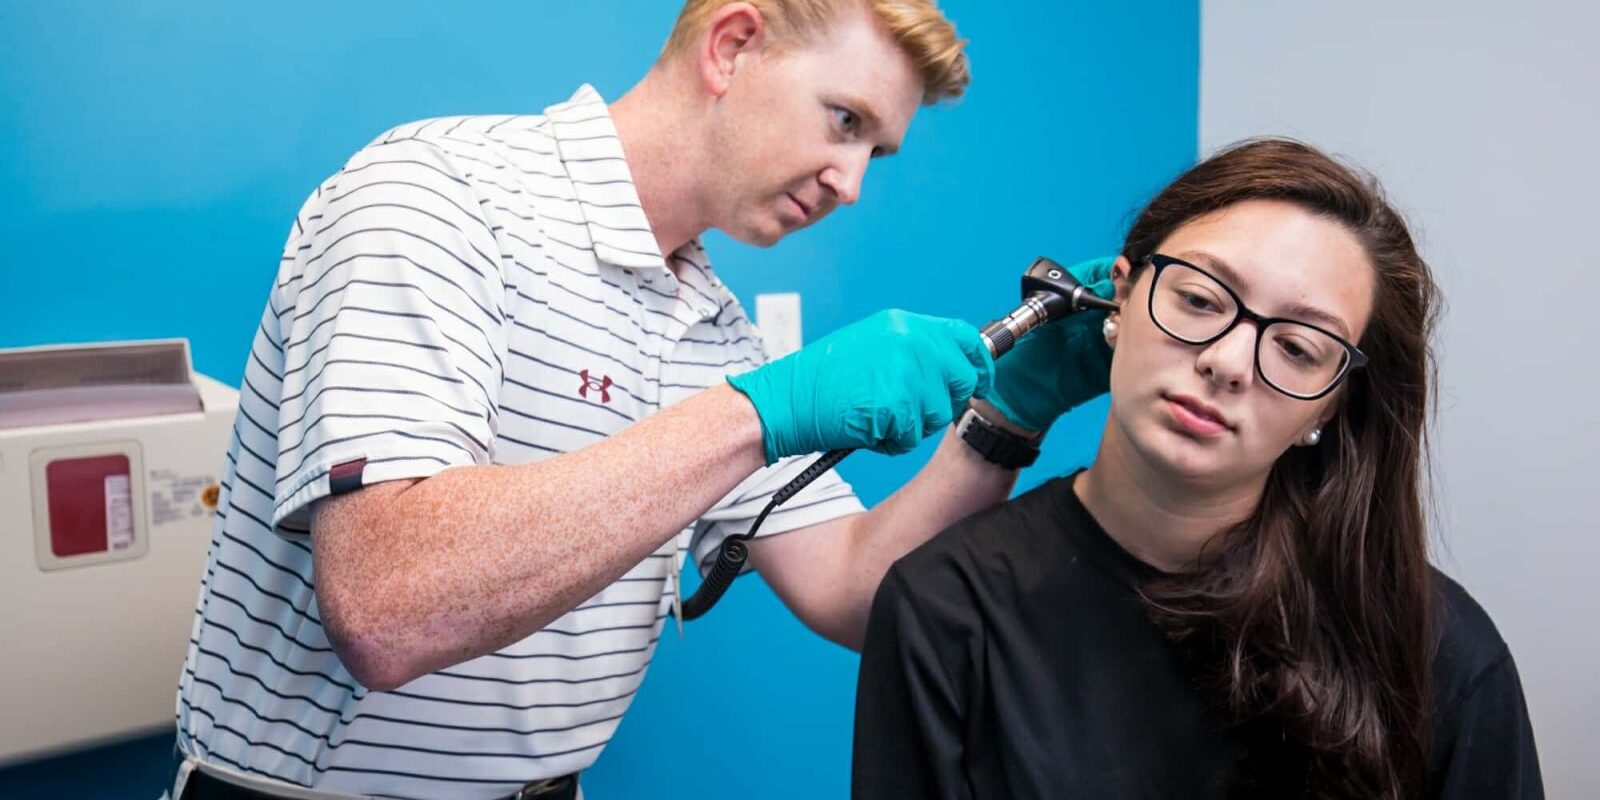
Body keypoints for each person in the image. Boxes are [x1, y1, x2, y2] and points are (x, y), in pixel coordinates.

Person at [169, 2, 1113, 798]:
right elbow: (390, 606)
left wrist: (1007, 417)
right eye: (844, 121)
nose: (853, 183)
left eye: (878, 151)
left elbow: (856, 591)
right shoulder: (437, 198)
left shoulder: (711, 326)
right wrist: (758, 412)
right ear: (732, 46)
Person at [852, 138, 1545, 799]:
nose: (1227, 362)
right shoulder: (946, 607)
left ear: (1331, 406)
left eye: (1298, 348)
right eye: (1200, 300)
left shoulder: (1436, 651)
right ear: (1118, 300)